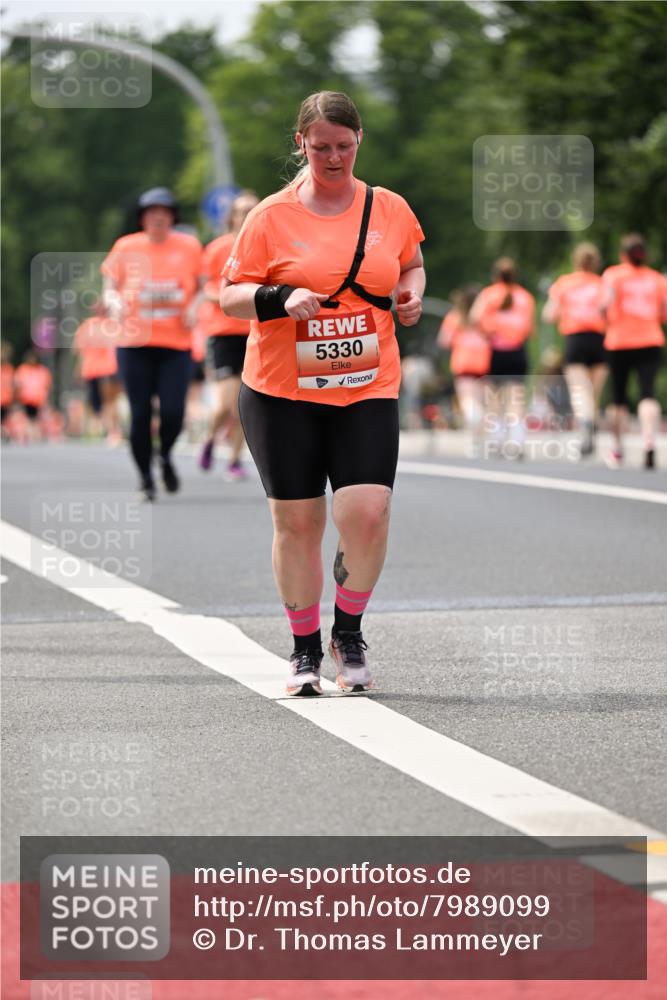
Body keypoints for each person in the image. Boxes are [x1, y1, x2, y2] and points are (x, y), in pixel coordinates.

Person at [219, 91, 425, 696]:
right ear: (300, 145)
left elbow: (411, 263)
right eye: (320, 147)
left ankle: (348, 632)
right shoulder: (270, 217)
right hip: (281, 390)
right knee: (299, 522)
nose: (333, 157)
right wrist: (279, 298)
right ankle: (304, 647)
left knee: (367, 511)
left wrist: (410, 294)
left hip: (367, 383)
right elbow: (229, 296)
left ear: (359, 140)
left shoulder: (388, 207)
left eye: (343, 145)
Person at [101, 187, 203, 500]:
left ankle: (166, 454)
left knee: (172, 411)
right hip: (134, 344)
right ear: (142, 218)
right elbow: (109, 287)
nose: (158, 217)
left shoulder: (189, 246)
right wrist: (114, 301)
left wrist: (195, 306)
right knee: (140, 413)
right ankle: (145, 477)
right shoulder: (126, 246)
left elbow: (203, 287)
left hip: (176, 344)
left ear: (173, 217)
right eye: (151, 212)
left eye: (164, 212)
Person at [199, 190, 259, 479]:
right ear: (232, 217)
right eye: (242, 210)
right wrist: (227, 297)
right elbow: (203, 287)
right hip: (224, 333)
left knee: (245, 406)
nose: (247, 215)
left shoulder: (266, 245)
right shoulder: (217, 248)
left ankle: (234, 459)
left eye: (253, 209)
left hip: (257, 333)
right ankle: (210, 438)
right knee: (225, 405)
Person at [601, 233, 667, 469]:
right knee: (647, 395)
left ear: (623, 255)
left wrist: (607, 321)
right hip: (650, 340)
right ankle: (649, 441)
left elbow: (604, 305)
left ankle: (617, 449)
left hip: (618, 342)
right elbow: (664, 313)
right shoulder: (657, 279)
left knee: (618, 398)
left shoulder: (613, 275)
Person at [542, 243, 607, 457]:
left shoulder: (564, 284)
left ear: (575, 261)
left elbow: (549, 315)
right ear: (596, 263)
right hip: (599, 339)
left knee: (580, 390)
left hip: (575, 339)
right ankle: (592, 425)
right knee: (594, 392)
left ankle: (585, 424)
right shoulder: (602, 284)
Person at [471, 259, 535, 459]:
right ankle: (517, 440)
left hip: (496, 351)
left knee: (495, 398)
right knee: (516, 397)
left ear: (495, 276)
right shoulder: (525, 296)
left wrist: (488, 332)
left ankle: (497, 440)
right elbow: (530, 328)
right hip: (518, 351)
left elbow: (474, 317)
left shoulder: (489, 294)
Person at [438, 284, 489, 456]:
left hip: (463, 361)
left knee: (468, 400)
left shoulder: (454, 317)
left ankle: (474, 437)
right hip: (483, 361)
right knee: (480, 401)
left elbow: (444, 341)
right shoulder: (483, 318)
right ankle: (478, 440)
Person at [73, 303, 123, 444]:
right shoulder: (113, 326)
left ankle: (106, 430)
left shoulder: (86, 327)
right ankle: (113, 431)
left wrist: (78, 371)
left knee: (99, 403)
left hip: (93, 370)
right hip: (109, 368)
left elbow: (79, 351)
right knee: (110, 402)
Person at [14, 350, 52, 441]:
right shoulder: (23, 370)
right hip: (26, 399)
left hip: (38, 399)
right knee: (29, 417)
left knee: (37, 418)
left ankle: (36, 434)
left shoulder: (42, 370)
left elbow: (47, 384)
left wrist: (46, 397)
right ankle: (30, 434)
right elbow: (18, 384)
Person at [1, 343, 15, 438]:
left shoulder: (9, 369)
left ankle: (4, 432)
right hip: (5, 398)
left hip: (6, 399)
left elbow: (12, 385)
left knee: (4, 418)